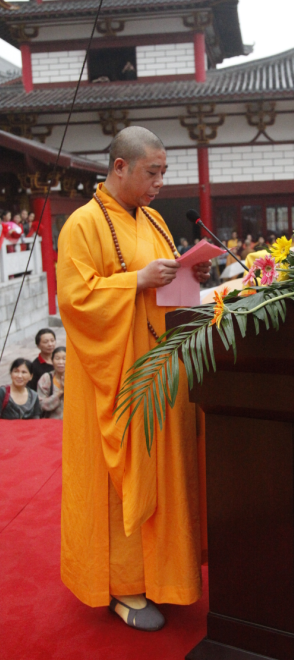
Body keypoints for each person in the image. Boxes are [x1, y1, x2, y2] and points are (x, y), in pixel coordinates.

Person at [57, 125, 211, 632]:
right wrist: (135, 281)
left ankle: (168, 571)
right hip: (115, 375)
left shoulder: (156, 221)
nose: (160, 182)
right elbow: (75, 301)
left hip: (162, 370)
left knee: (168, 470)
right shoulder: (83, 224)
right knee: (120, 476)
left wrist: (191, 274)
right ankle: (122, 584)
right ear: (120, 167)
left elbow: (170, 293)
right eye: (152, 172)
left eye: (164, 172)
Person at [37, 346, 66, 419]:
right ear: (52, 361)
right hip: (51, 424)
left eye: (64, 359)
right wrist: (60, 392)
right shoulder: (46, 378)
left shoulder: (76, 378)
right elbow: (41, 405)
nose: (61, 362)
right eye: (57, 359)